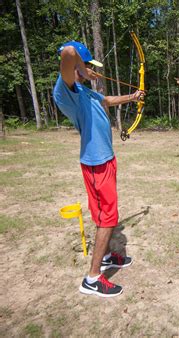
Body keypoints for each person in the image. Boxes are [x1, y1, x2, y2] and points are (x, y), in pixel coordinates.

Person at [53, 41, 144, 297]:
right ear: (78, 69)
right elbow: (69, 53)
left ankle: (104, 258)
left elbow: (107, 100)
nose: (93, 70)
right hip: (96, 164)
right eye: (88, 66)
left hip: (105, 160)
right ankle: (92, 278)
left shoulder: (87, 93)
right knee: (107, 217)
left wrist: (133, 96)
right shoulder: (66, 92)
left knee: (105, 214)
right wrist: (82, 70)